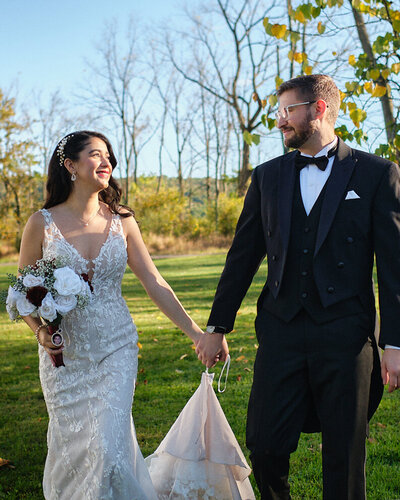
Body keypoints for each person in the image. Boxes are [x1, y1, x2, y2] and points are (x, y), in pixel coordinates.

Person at [196, 74, 400, 499]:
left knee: (344, 454)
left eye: (287, 111)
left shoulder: (377, 174)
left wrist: (395, 344)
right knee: (264, 443)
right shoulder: (267, 176)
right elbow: (242, 256)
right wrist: (217, 327)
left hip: (346, 334)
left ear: (319, 109)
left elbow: (394, 267)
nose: (279, 121)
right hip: (281, 329)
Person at [18, 130, 206, 499]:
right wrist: (40, 331)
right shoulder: (41, 223)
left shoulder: (122, 220)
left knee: (106, 446)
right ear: (70, 165)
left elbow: (154, 281)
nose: (107, 162)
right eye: (95, 154)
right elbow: (24, 291)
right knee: (74, 446)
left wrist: (197, 334)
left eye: (108, 155)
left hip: (116, 346)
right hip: (64, 356)